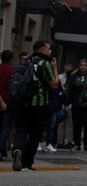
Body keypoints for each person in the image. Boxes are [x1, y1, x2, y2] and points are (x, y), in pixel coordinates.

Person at [11, 40, 61, 172]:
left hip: (22, 102)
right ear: (42, 48)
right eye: (49, 48)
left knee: (21, 130)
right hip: (39, 104)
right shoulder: (45, 63)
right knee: (35, 133)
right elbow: (54, 84)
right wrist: (55, 68)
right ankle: (27, 162)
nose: (50, 51)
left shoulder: (26, 61)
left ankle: (17, 149)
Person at [65, 58, 87, 151]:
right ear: (79, 66)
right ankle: (77, 144)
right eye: (81, 65)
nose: (83, 67)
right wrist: (67, 102)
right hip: (76, 102)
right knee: (76, 124)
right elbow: (70, 90)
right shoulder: (74, 76)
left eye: (85, 65)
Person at [0, 50, 13, 160]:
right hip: (8, 100)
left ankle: (3, 151)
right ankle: (1, 148)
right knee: (5, 127)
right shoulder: (12, 70)